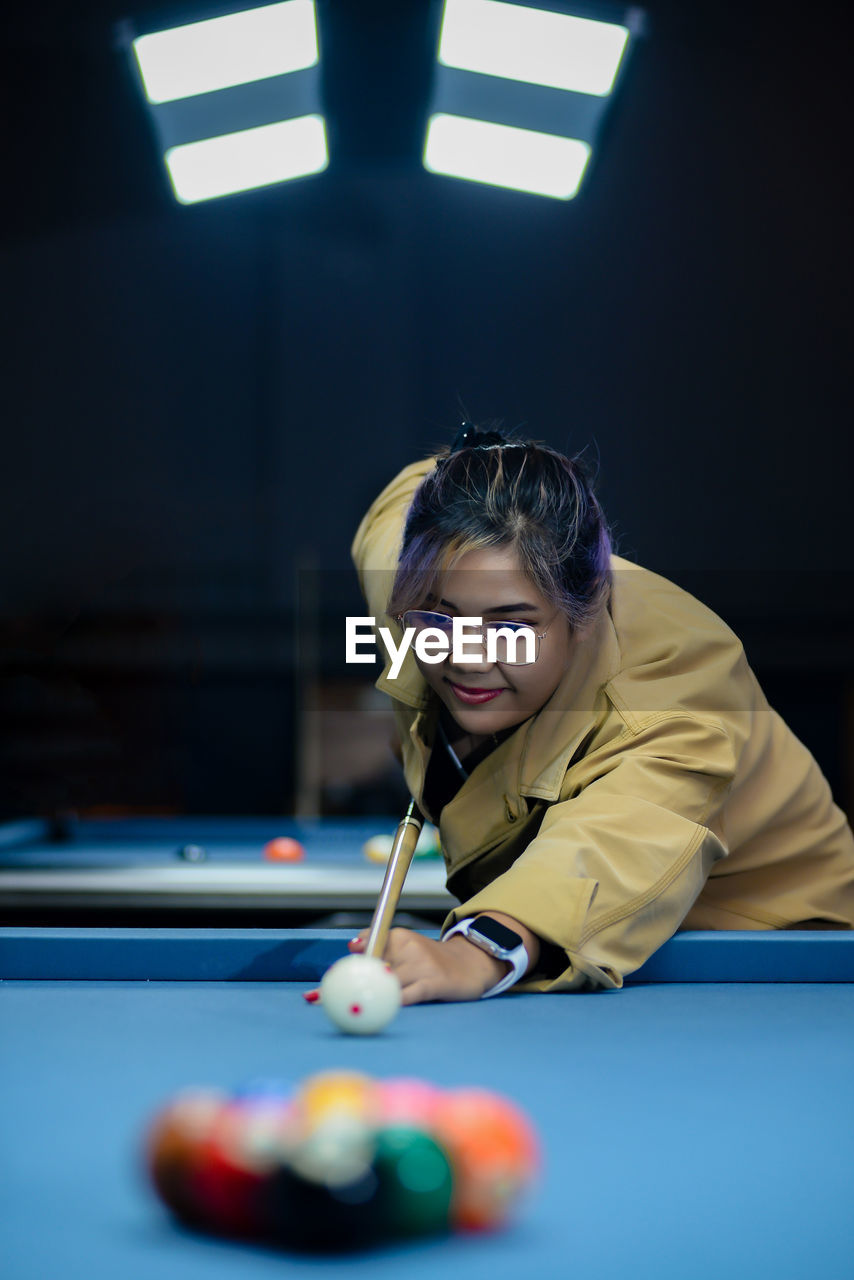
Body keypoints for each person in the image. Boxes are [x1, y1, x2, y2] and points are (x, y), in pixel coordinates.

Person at [346, 423, 854, 1003]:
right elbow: (402, 498)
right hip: (570, 948)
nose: (465, 656)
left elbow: (614, 843)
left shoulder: (679, 687)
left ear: (582, 613)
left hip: (777, 965)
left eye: (511, 626)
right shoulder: (416, 571)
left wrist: (474, 953)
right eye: (438, 619)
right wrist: (482, 461)